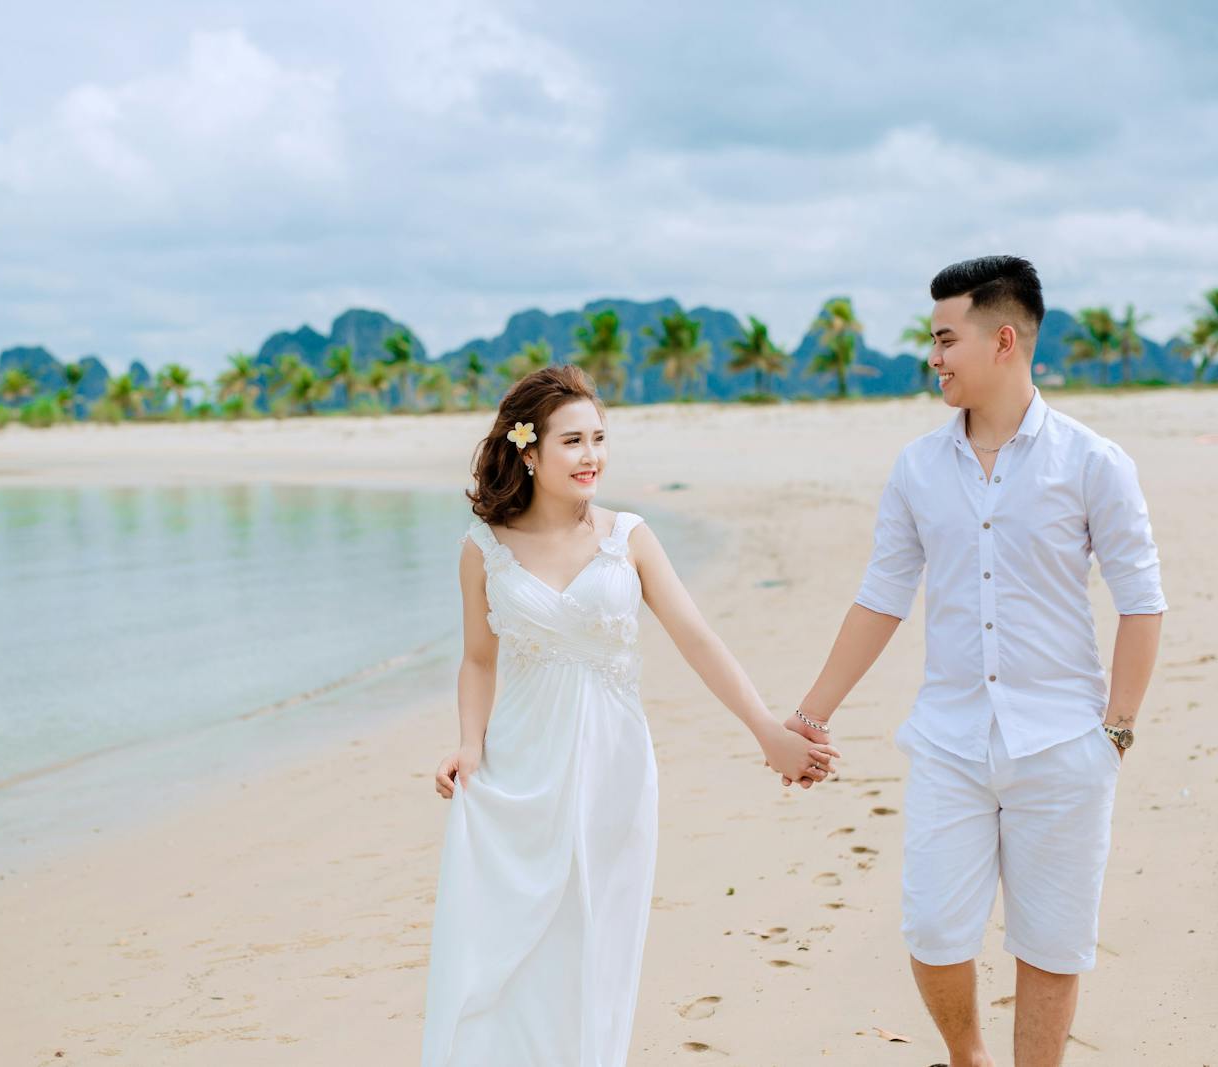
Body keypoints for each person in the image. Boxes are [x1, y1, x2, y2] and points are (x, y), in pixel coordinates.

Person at [781, 256, 1166, 1066]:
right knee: (931, 927)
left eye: (945, 339)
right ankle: (968, 1055)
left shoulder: (1093, 462)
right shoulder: (918, 467)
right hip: (950, 742)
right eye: (932, 340)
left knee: (1053, 944)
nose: (934, 357)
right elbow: (881, 597)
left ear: (1002, 339)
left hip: (1064, 743)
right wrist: (811, 715)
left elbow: (1142, 600)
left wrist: (1115, 734)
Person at [421, 364, 837, 1066]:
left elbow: (697, 637)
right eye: (573, 441)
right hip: (520, 768)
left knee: (597, 940)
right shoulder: (483, 548)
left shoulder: (629, 537)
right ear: (529, 452)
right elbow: (479, 660)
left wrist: (767, 729)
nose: (592, 457)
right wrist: (469, 745)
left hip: (614, 765)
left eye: (599, 439)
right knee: (509, 945)